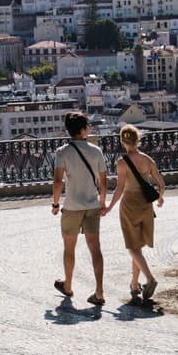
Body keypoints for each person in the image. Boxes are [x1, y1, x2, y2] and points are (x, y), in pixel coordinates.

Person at [52, 112, 108, 306]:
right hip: (92, 205)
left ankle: (68, 285)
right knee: (95, 249)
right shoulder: (96, 151)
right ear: (84, 129)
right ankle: (99, 292)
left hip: (72, 206)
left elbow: (58, 181)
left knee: (69, 248)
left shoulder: (62, 152)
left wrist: (55, 203)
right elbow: (103, 179)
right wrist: (102, 201)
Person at [105, 124, 165, 303]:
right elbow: (161, 184)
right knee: (137, 247)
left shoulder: (122, 162)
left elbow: (120, 188)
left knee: (132, 247)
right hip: (146, 206)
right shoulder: (148, 160)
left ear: (123, 142)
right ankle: (134, 284)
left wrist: (109, 207)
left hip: (129, 205)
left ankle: (150, 279)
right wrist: (160, 199)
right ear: (137, 140)